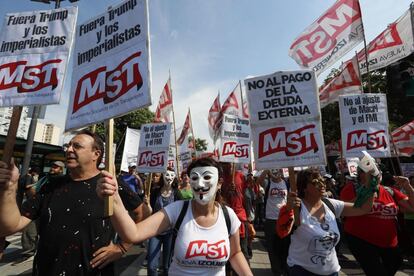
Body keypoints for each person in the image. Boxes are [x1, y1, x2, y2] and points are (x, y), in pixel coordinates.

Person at [0, 129, 150, 276]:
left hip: (92, 270)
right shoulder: (51, 185)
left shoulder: (110, 184)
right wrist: (11, 186)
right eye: (68, 145)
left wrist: (122, 247)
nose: (69, 149)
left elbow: (143, 214)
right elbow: (12, 226)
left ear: (96, 154)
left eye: (77, 146)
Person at [96, 157, 253, 276]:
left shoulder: (228, 216)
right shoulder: (177, 210)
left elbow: (235, 253)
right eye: (195, 178)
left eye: (206, 177)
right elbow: (133, 234)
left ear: (219, 183)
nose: (200, 184)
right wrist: (114, 198)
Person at [284, 165, 376, 276]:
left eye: (322, 180)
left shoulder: (330, 204)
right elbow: (281, 230)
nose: (322, 184)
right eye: (315, 182)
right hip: (302, 271)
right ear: (304, 187)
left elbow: (363, 208)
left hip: (332, 272)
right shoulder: (297, 208)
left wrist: (372, 185)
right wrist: (287, 210)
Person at [340, 152, 414, 276]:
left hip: (389, 243)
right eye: (366, 171)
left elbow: (412, 208)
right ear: (360, 174)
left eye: (376, 170)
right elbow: (345, 209)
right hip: (361, 240)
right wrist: (368, 190)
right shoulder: (351, 188)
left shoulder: (389, 191)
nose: (374, 173)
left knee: (395, 263)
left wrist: (408, 187)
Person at [256, 169, 290, 276]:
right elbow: (259, 181)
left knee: (285, 246)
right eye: (274, 170)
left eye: (278, 170)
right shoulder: (268, 183)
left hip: (284, 219)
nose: (276, 172)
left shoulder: (286, 183)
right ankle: (276, 271)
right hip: (270, 220)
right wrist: (266, 168)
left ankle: (284, 268)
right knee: (272, 247)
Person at [147, 167, 178, 276]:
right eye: (167, 175)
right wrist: (147, 205)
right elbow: (149, 212)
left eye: (172, 175)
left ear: (174, 178)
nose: (169, 178)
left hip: (170, 233)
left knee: (167, 266)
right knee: (151, 267)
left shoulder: (177, 194)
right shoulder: (155, 192)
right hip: (154, 232)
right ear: (163, 177)